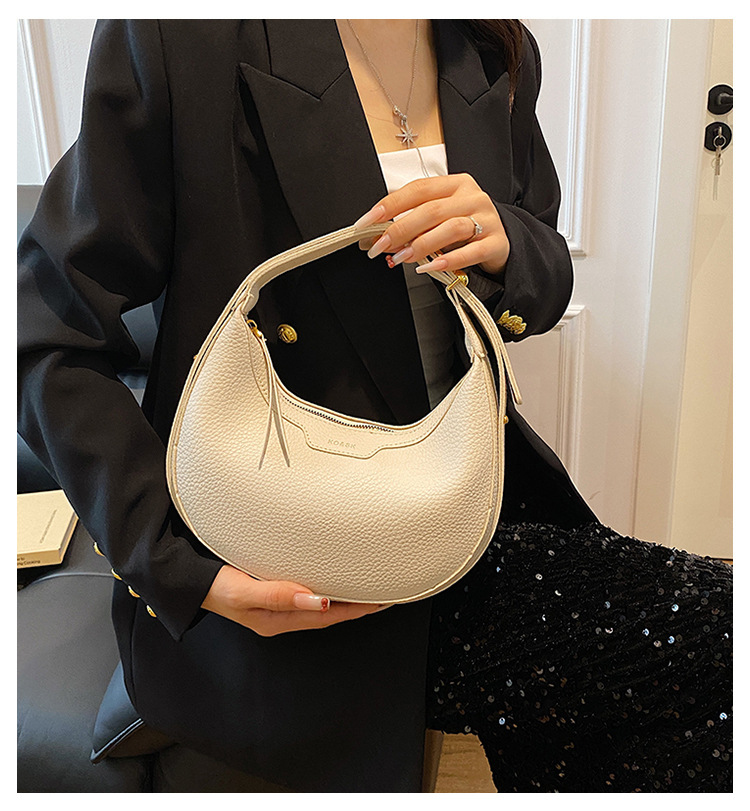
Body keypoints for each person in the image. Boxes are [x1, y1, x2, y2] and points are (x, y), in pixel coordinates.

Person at [17, 19, 731, 792]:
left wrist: (506, 244)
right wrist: (177, 566)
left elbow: (543, 264)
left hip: (459, 504)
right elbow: (46, 331)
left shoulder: (493, 43)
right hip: (283, 551)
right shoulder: (181, 33)